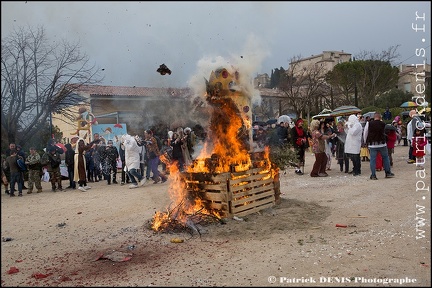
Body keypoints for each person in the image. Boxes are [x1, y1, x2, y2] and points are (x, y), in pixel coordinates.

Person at [363, 112, 395, 180]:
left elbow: (365, 133)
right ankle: (388, 172)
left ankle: (373, 175)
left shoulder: (369, 123)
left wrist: (366, 142)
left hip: (372, 144)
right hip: (382, 143)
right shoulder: (383, 124)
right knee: (385, 158)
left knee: (373, 160)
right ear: (380, 117)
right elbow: (385, 133)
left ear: (374, 117)